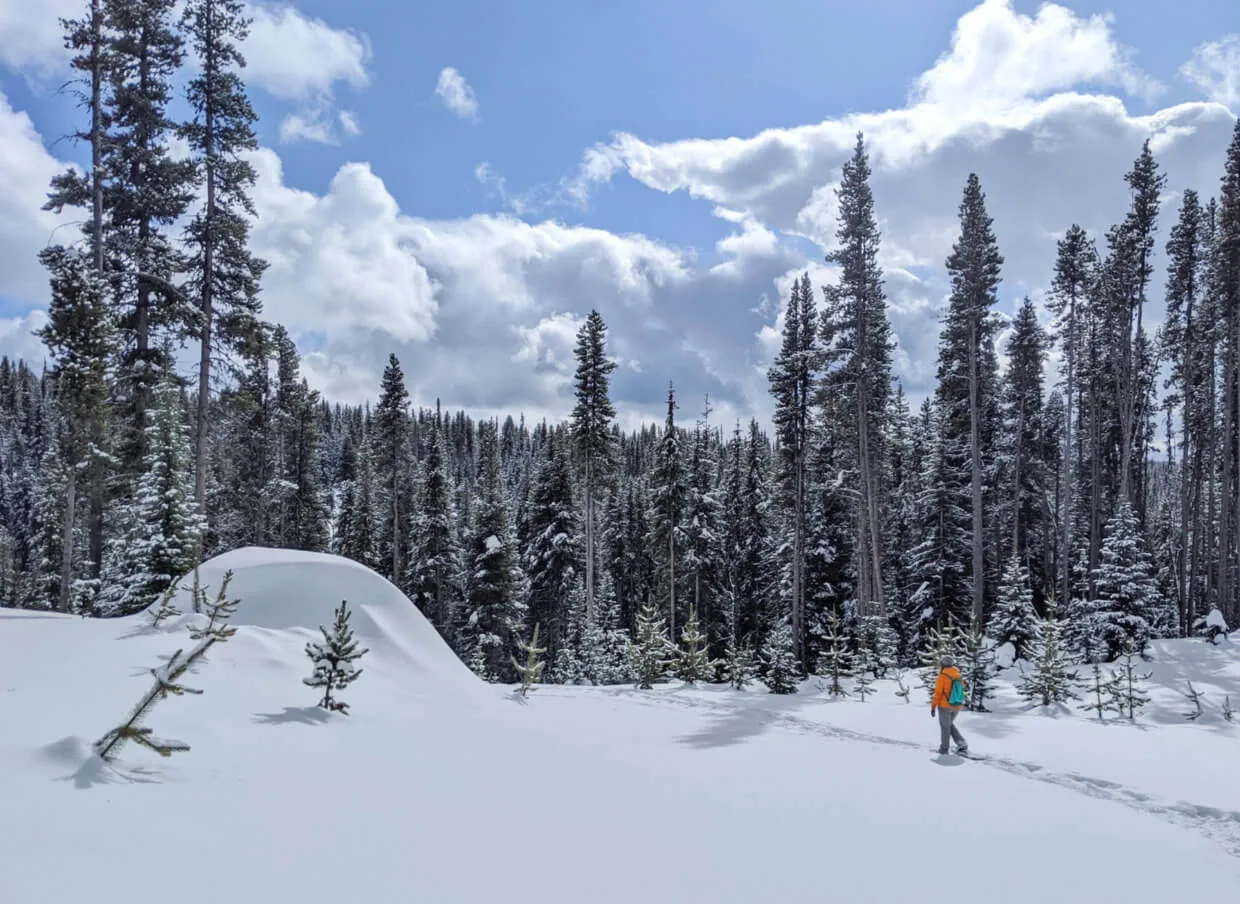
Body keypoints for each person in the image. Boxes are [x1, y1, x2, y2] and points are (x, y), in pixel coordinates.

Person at [930, 655, 968, 755]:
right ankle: (961, 743)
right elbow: (963, 690)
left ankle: (944, 749)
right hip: (957, 705)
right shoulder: (958, 674)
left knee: (945, 727)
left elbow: (938, 693)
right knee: (948, 725)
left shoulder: (942, 676)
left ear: (942, 664)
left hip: (945, 706)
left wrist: (933, 706)